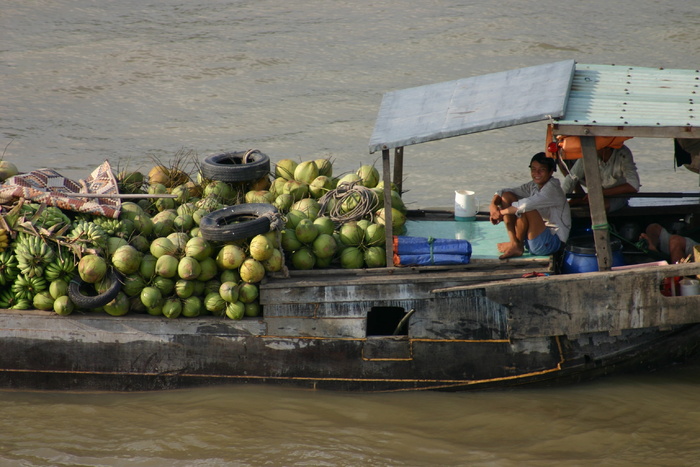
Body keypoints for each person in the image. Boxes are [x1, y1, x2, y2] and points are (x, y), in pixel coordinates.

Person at [489, 152, 571, 259]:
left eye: (541, 170)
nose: (536, 173)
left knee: (526, 208)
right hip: (533, 238)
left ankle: (516, 246)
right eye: (533, 169)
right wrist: (493, 205)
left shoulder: (552, 188)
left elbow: (525, 205)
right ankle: (515, 243)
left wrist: (500, 213)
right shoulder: (533, 185)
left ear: (551, 172)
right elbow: (504, 191)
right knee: (507, 196)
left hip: (551, 242)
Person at [561, 144, 640, 212]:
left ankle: (582, 201)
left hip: (617, 195)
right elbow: (572, 178)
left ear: (607, 147)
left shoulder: (623, 153)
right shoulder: (589, 152)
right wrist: (560, 200)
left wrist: (600, 193)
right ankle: (580, 198)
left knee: (600, 206)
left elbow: (633, 185)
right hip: (594, 190)